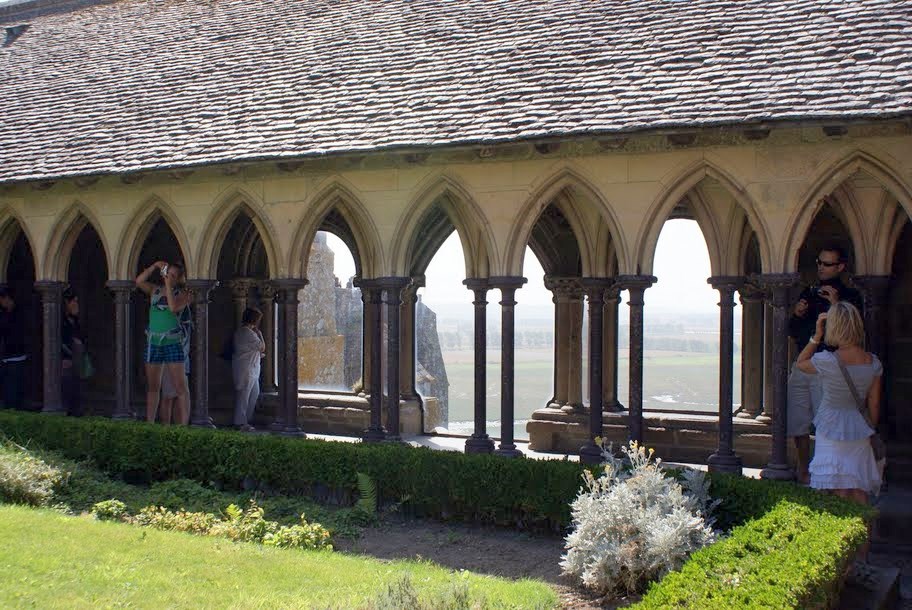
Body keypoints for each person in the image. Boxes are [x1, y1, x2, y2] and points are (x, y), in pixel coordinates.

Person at [787, 245, 863, 484]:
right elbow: (791, 332)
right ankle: (803, 469)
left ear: (840, 267)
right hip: (803, 364)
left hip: (828, 368)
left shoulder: (850, 297)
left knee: (824, 422)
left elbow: (850, 336)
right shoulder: (809, 293)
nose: (821, 267)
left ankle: (823, 470)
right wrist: (797, 314)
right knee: (797, 419)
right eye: (819, 262)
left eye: (827, 264)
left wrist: (836, 305)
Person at [796, 302, 882, 505]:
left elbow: (800, 363)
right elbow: (874, 403)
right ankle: (863, 534)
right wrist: (870, 427)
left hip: (830, 426)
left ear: (832, 327)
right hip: (859, 427)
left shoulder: (826, 360)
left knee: (836, 488)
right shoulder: (873, 362)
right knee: (858, 488)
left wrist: (816, 336)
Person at [136, 261, 192, 425]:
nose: (170, 277)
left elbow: (174, 308)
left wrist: (169, 285)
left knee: (180, 387)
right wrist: (153, 266)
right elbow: (139, 282)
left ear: (180, 278)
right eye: (169, 274)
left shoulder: (185, 293)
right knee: (153, 386)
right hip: (154, 341)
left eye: (174, 276)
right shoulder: (155, 290)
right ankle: (150, 423)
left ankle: (183, 427)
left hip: (172, 341)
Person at [232, 307, 265, 431]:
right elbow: (262, 347)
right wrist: (260, 333)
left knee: (253, 394)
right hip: (246, 369)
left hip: (250, 368)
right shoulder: (248, 333)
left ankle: (246, 420)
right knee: (244, 396)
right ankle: (240, 423)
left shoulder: (241, 332)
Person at [158, 305, 191, 424]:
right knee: (169, 396)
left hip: (181, 360)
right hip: (171, 359)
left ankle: (179, 429)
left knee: (179, 396)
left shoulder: (184, 314)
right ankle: (166, 429)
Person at [0, 287, 28, 410]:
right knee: (7, 391)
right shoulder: (5, 313)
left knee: (13, 391)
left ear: (7, 299)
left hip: (16, 357)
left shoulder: (17, 314)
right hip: (6, 358)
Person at [61, 288, 85, 417]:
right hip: (65, 362)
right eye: (74, 302)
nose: (76, 305)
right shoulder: (60, 320)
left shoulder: (74, 320)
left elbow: (81, 337)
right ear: (66, 303)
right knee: (67, 392)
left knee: (77, 392)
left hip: (76, 361)